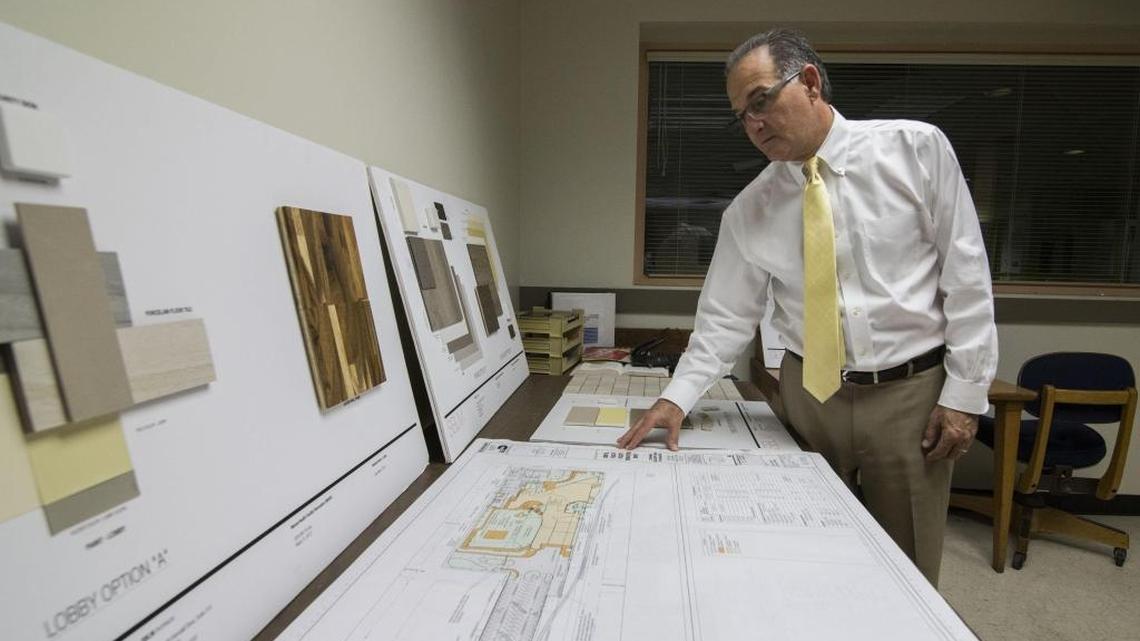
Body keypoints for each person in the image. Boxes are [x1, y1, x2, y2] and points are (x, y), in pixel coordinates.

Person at [617, 28, 998, 585]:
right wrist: (676, 399)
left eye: (761, 100)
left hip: (910, 398)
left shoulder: (915, 149)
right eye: (741, 115)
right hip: (807, 396)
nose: (753, 124)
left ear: (811, 82)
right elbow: (724, 320)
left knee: (908, 568)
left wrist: (965, 397)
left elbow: (966, 279)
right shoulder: (750, 209)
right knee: (804, 556)